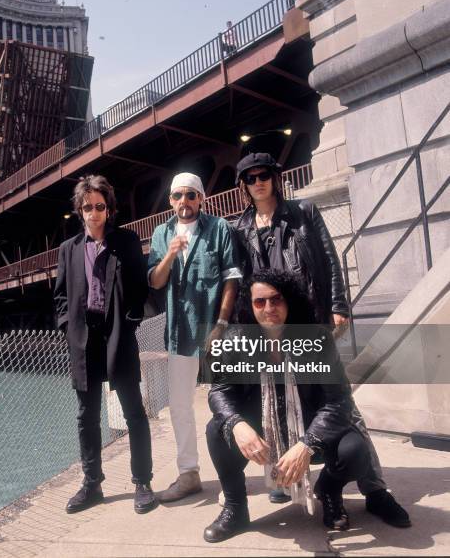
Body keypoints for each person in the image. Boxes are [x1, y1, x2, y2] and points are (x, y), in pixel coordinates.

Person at [233, 150, 411, 527]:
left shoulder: (303, 213)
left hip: (308, 321)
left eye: (264, 174)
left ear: (275, 178)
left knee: (342, 406)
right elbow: (241, 283)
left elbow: (328, 258)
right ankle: (286, 472)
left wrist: (338, 303)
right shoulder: (241, 228)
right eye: (251, 177)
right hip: (269, 324)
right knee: (277, 401)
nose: (258, 181)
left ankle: (375, 489)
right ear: (244, 186)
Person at [204, 269, 393, 542]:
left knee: (355, 449)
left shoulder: (316, 339)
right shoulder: (234, 340)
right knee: (216, 430)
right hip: (262, 433)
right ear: (250, 305)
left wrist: (308, 443)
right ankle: (236, 507)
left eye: (276, 299)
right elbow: (219, 390)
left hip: (310, 431)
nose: (269, 308)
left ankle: (328, 491)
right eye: (260, 302)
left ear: (289, 301)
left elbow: (339, 400)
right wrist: (237, 423)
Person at [54, 175, 157, 515]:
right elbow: (60, 297)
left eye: (100, 206)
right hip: (83, 339)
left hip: (118, 335)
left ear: (109, 209)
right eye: (88, 207)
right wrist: (68, 327)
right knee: (87, 416)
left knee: (134, 412)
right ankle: (92, 483)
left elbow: (142, 289)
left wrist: (131, 323)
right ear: (79, 211)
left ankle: (142, 482)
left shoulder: (125, 242)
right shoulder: (68, 250)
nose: (94, 213)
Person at [148, 173, 241, 502]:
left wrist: (222, 322)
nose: (183, 202)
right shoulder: (162, 234)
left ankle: (235, 477)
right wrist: (171, 254)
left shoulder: (220, 229)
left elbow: (231, 277)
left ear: (201, 198)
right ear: (170, 201)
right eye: (177, 196)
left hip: (215, 330)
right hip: (179, 334)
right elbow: (156, 281)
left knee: (231, 402)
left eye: (190, 195)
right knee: (180, 406)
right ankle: (189, 473)